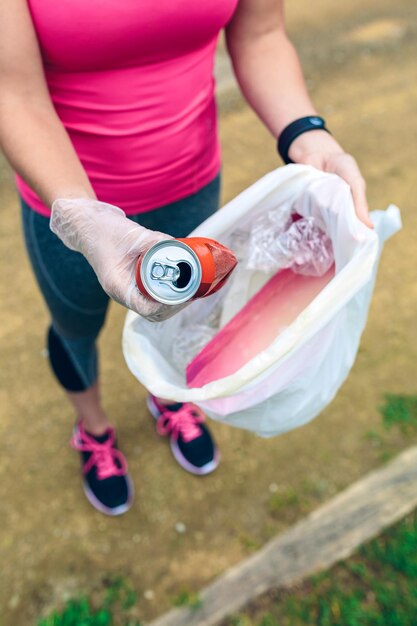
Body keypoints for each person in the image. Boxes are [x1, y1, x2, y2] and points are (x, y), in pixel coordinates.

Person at [0, 0, 373, 516]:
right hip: (67, 204)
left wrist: (307, 133)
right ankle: (94, 430)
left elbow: (261, 34)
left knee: (186, 312)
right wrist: (85, 218)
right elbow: (13, 91)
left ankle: (170, 398)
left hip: (192, 185)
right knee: (75, 326)